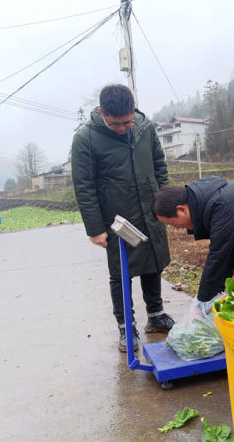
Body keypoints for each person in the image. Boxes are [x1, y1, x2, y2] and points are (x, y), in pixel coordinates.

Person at [71, 84, 174, 353]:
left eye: (127, 121)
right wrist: (95, 228)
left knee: (153, 262)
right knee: (121, 273)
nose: (123, 128)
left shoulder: (144, 126)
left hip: (149, 209)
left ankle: (156, 315)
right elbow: (84, 186)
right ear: (102, 113)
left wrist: (163, 201)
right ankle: (126, 327)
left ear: (134, 112)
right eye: (116, 124)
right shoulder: (86, 139)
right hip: (117, 218)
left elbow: (159, 165)